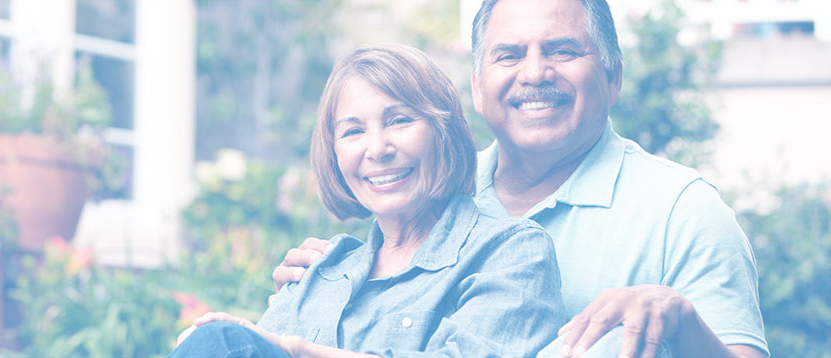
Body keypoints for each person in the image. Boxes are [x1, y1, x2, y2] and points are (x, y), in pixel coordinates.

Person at [273, 1, 769, 358]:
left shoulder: (682, 210)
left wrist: (679, 319)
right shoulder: (428, 191)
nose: (535, 73)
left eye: (562, 50)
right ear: (477, 86)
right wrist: (323, 289)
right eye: (508, 55)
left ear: (613, 76)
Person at [170, 43, 565, 357]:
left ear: (444, 131)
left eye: (399, 120)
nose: (377, 149)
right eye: (353, 131)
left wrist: (296, 349)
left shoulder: (512, 251)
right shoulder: (318, 272)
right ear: (335, 154)